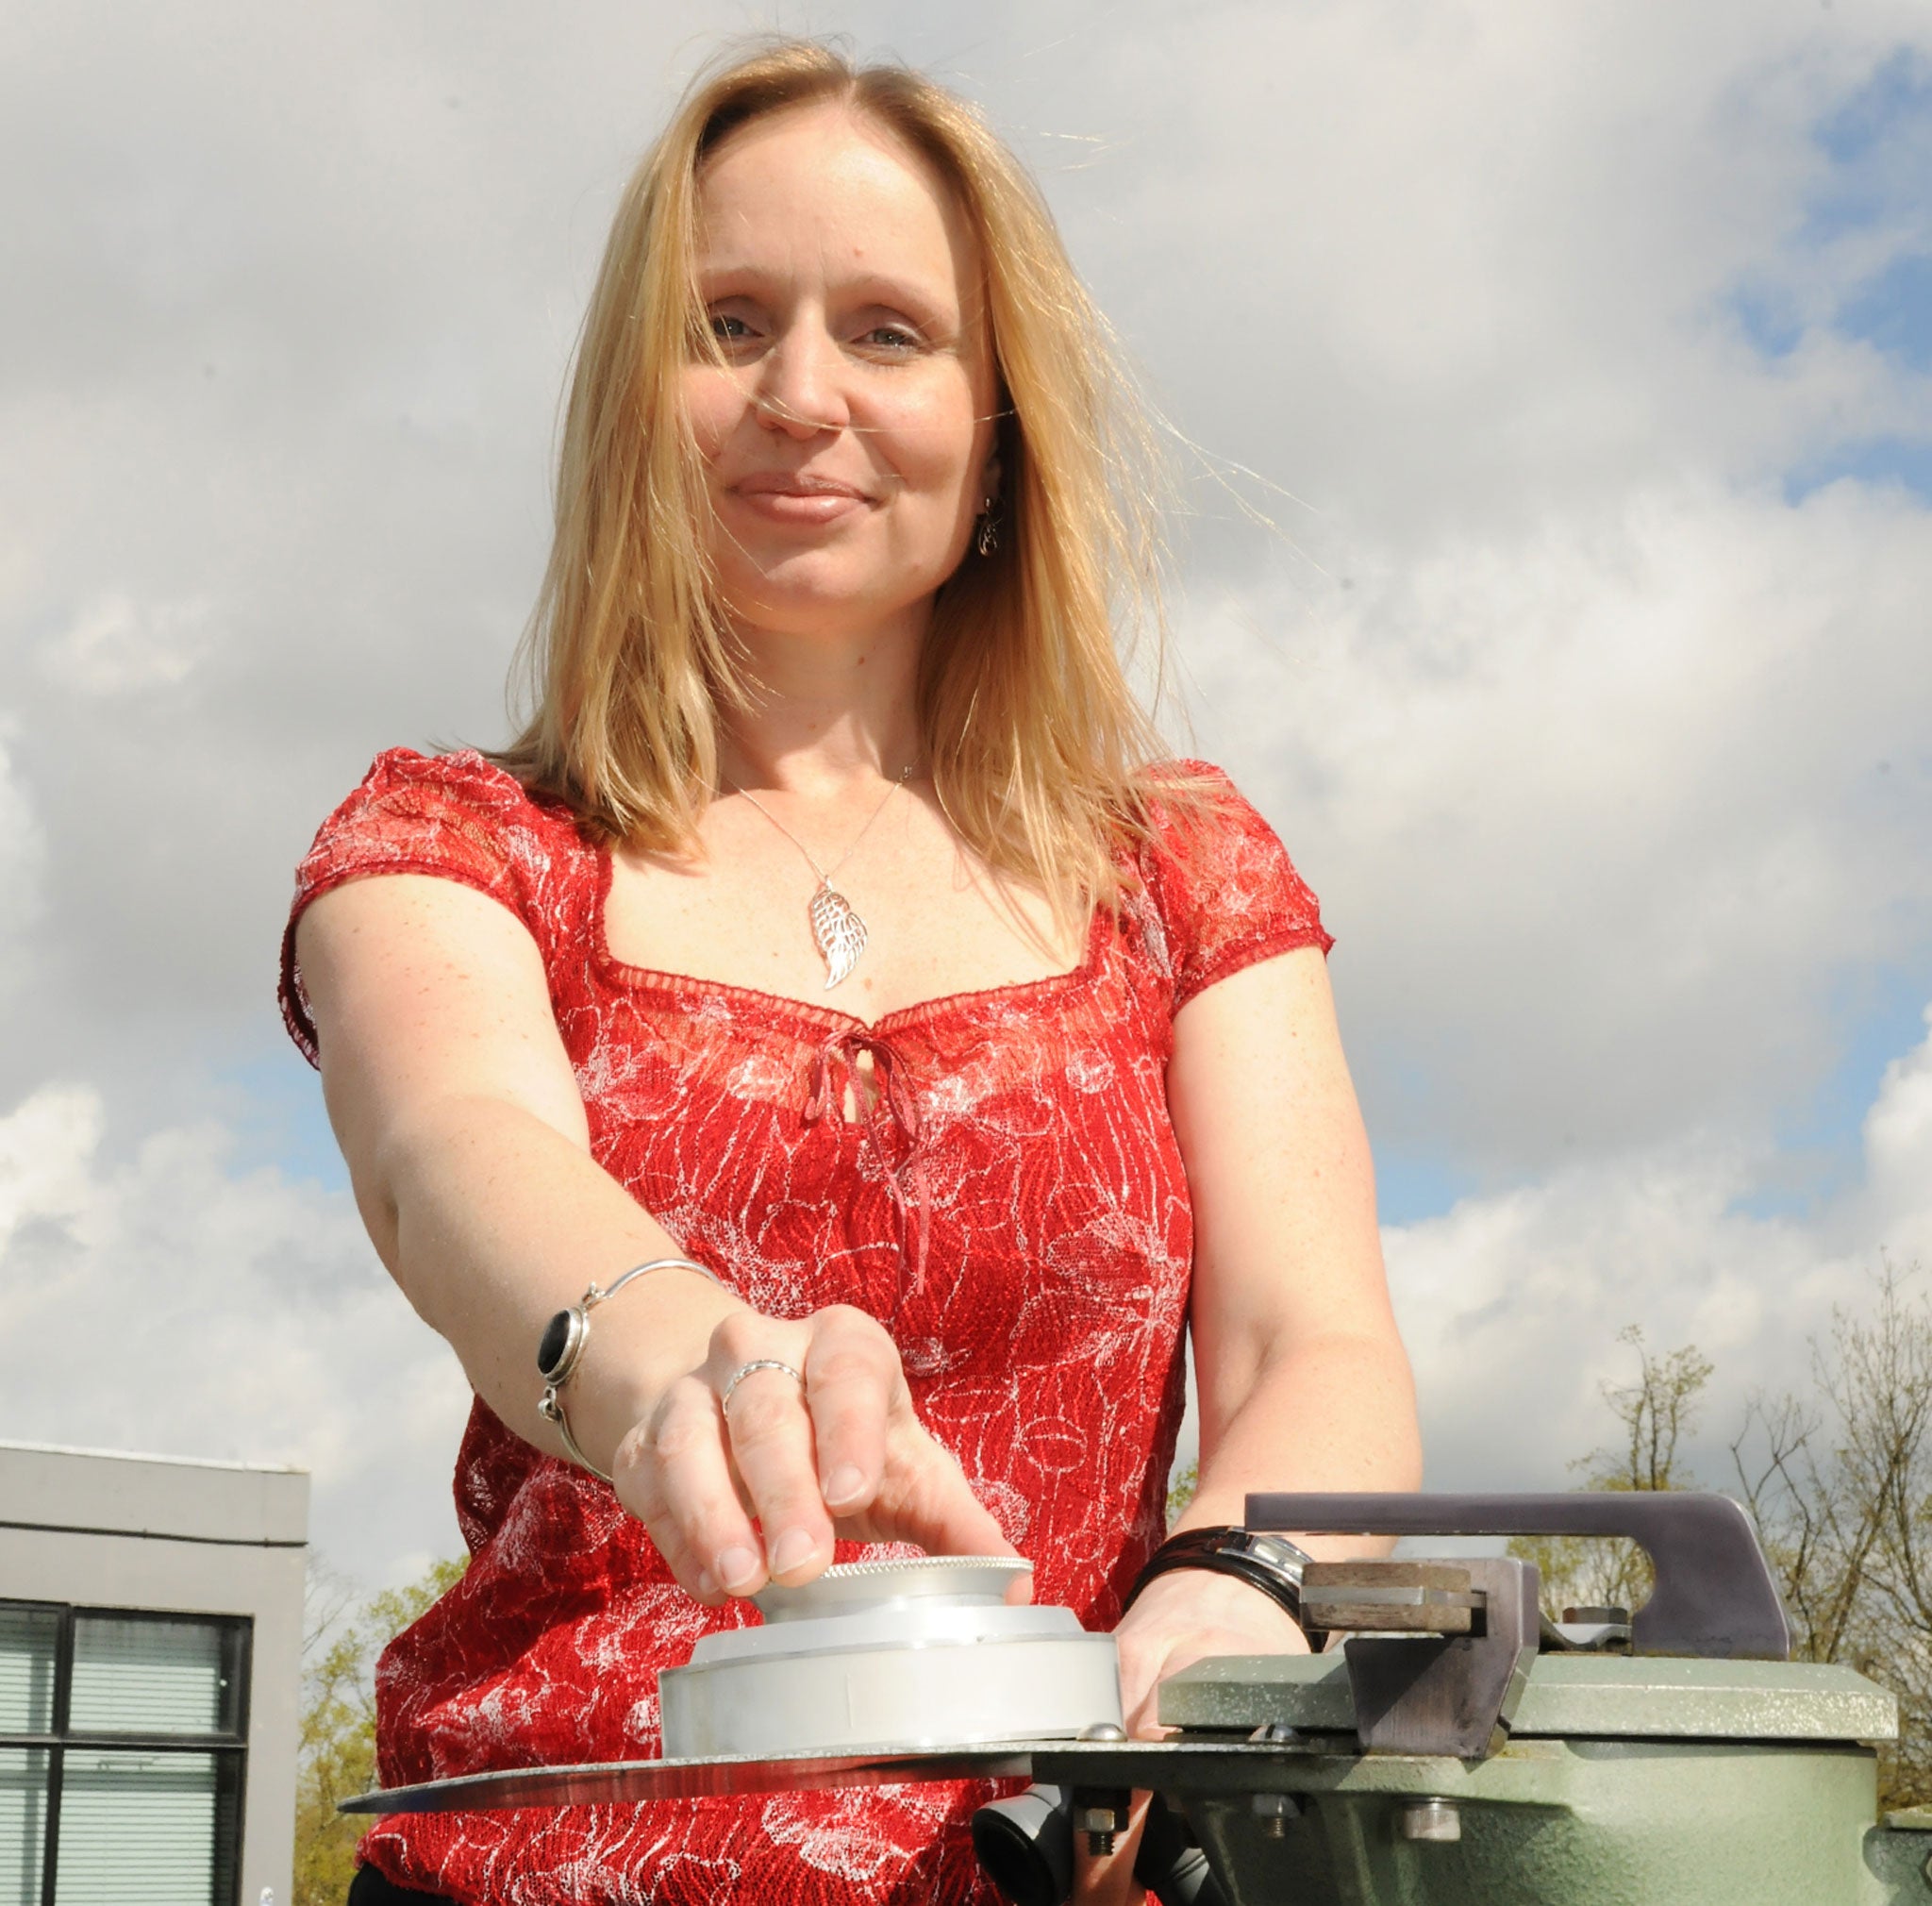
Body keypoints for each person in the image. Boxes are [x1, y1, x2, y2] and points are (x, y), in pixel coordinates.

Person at [282, 36, 1420, 1906]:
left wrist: (1233, 1579)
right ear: (628, 402)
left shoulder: (1183, 871)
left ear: (996, 426)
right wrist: (684, 1367)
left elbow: (1316, 1341)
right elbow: (454, 1148)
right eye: (727, 322)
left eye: (887, 332)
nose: (799, 394)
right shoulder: (458, 845)